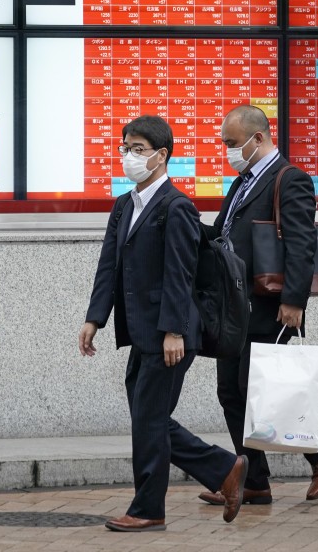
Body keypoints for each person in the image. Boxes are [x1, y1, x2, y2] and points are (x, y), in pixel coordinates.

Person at [79, 114, 248, 533]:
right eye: (125, 148)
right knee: (148, 417)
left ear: (161, 156)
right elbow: (109, 266)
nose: (129, 157)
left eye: (138, 149)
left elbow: (181, 272)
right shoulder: (125, 206)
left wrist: (173, 330)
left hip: (171, 333)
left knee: (150, 418)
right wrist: (94, 318)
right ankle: (225, 470)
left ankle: (149, 508)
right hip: (141, 331)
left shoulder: (176, 207)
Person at [197, 104, 318, 508]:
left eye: (232, 143)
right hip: (236, 306)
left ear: (258, 138)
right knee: (231, 391)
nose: (228, 150)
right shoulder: (242, 182)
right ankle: (255, 481)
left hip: (270, 305)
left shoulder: (289, 179)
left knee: (262, 388)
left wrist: (294, 301)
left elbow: (301, 244)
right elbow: (222, 233)